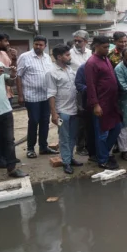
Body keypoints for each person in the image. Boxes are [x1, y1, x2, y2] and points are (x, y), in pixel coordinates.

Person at [0, 39, 27, 183]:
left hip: (5, 110)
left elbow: (9, 82)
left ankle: (12, 168)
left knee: (9, 141)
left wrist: (13, 75)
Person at [17, 35, 58, 159]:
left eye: (41, 45)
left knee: (45, 122)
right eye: (36, 44)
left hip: (46, 96)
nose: (38, 47)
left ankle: (43, 147)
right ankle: (30, 149)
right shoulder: (24, 57)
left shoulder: (47, 58)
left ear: (45, 46)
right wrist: (20, 95)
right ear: (33, 44)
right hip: (31, 97)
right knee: (34, 121)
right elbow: (19, 76)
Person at [85, 36, 121, 170]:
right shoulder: (91, 63)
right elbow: (91, 85)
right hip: (101, 104)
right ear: (96, 46)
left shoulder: (105, 59)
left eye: (108, 47)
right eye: (105, 47)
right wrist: (95, 104)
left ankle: (104, 153)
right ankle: (102, 160)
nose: (107, 49)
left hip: (112, 103)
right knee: (102, 133)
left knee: (117, 127)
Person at [46, 44, 82, 175]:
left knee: (73, 137)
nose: (69, 57)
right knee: (64, 137)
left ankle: (70, 158)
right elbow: (51, 94)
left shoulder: (70, 69)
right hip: (62, 112)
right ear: (59, 57)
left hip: (74, 110)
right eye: (67, 55)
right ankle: (66, 162)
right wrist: (54, 114)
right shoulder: (51, 73)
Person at [0, 32, 18, 168]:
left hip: (6, 99)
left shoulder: (2, 57)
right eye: (5, 41)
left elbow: (9, 79)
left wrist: (13, 72)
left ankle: (9, 160)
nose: (7, 44)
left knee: (7, 135)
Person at [70, 30, 92, 156]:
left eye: (80, 41)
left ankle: (89, 144)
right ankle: (80, 146)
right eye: (75, 40)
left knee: (89, 118)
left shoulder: (90, 53)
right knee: (80, 120)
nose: (77, 43)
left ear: (86, 42)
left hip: (90, 89)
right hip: (77, 90)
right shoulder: (70, 54)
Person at [75, 59, 98, 163]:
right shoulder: (83, 68)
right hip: (88, 102)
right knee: (89, 128)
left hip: (103, 100)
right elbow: (78, 83)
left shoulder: (105, 64)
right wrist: (90, 89)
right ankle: (91, 152)